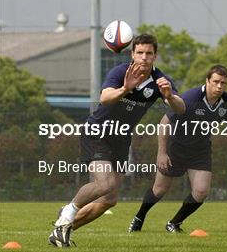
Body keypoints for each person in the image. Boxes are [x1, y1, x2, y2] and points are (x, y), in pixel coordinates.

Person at [49, 34, 185, 247]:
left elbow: (181, 108)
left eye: (149, 53)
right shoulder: (121, 72)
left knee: (109, 199)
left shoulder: (160, 80)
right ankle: (68, 210)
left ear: (155, 56)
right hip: (97, 133)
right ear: (132, 54)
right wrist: (125, 88)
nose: (144, 57)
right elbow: (104, 97)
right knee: (105, 183)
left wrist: (169, 96)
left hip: (121, 140)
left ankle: (62, 230)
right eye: (139, 53)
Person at [128, 64, 227, 233]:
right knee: (159, 190)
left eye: (223, 83)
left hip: (200, 151)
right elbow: (165, 123)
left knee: (201, 191)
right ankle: (139, 216)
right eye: (215, 81)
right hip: (176, 148)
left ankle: (174, 223)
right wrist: (162, 153)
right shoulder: (190, 97)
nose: (219, 86)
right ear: (207, 81)